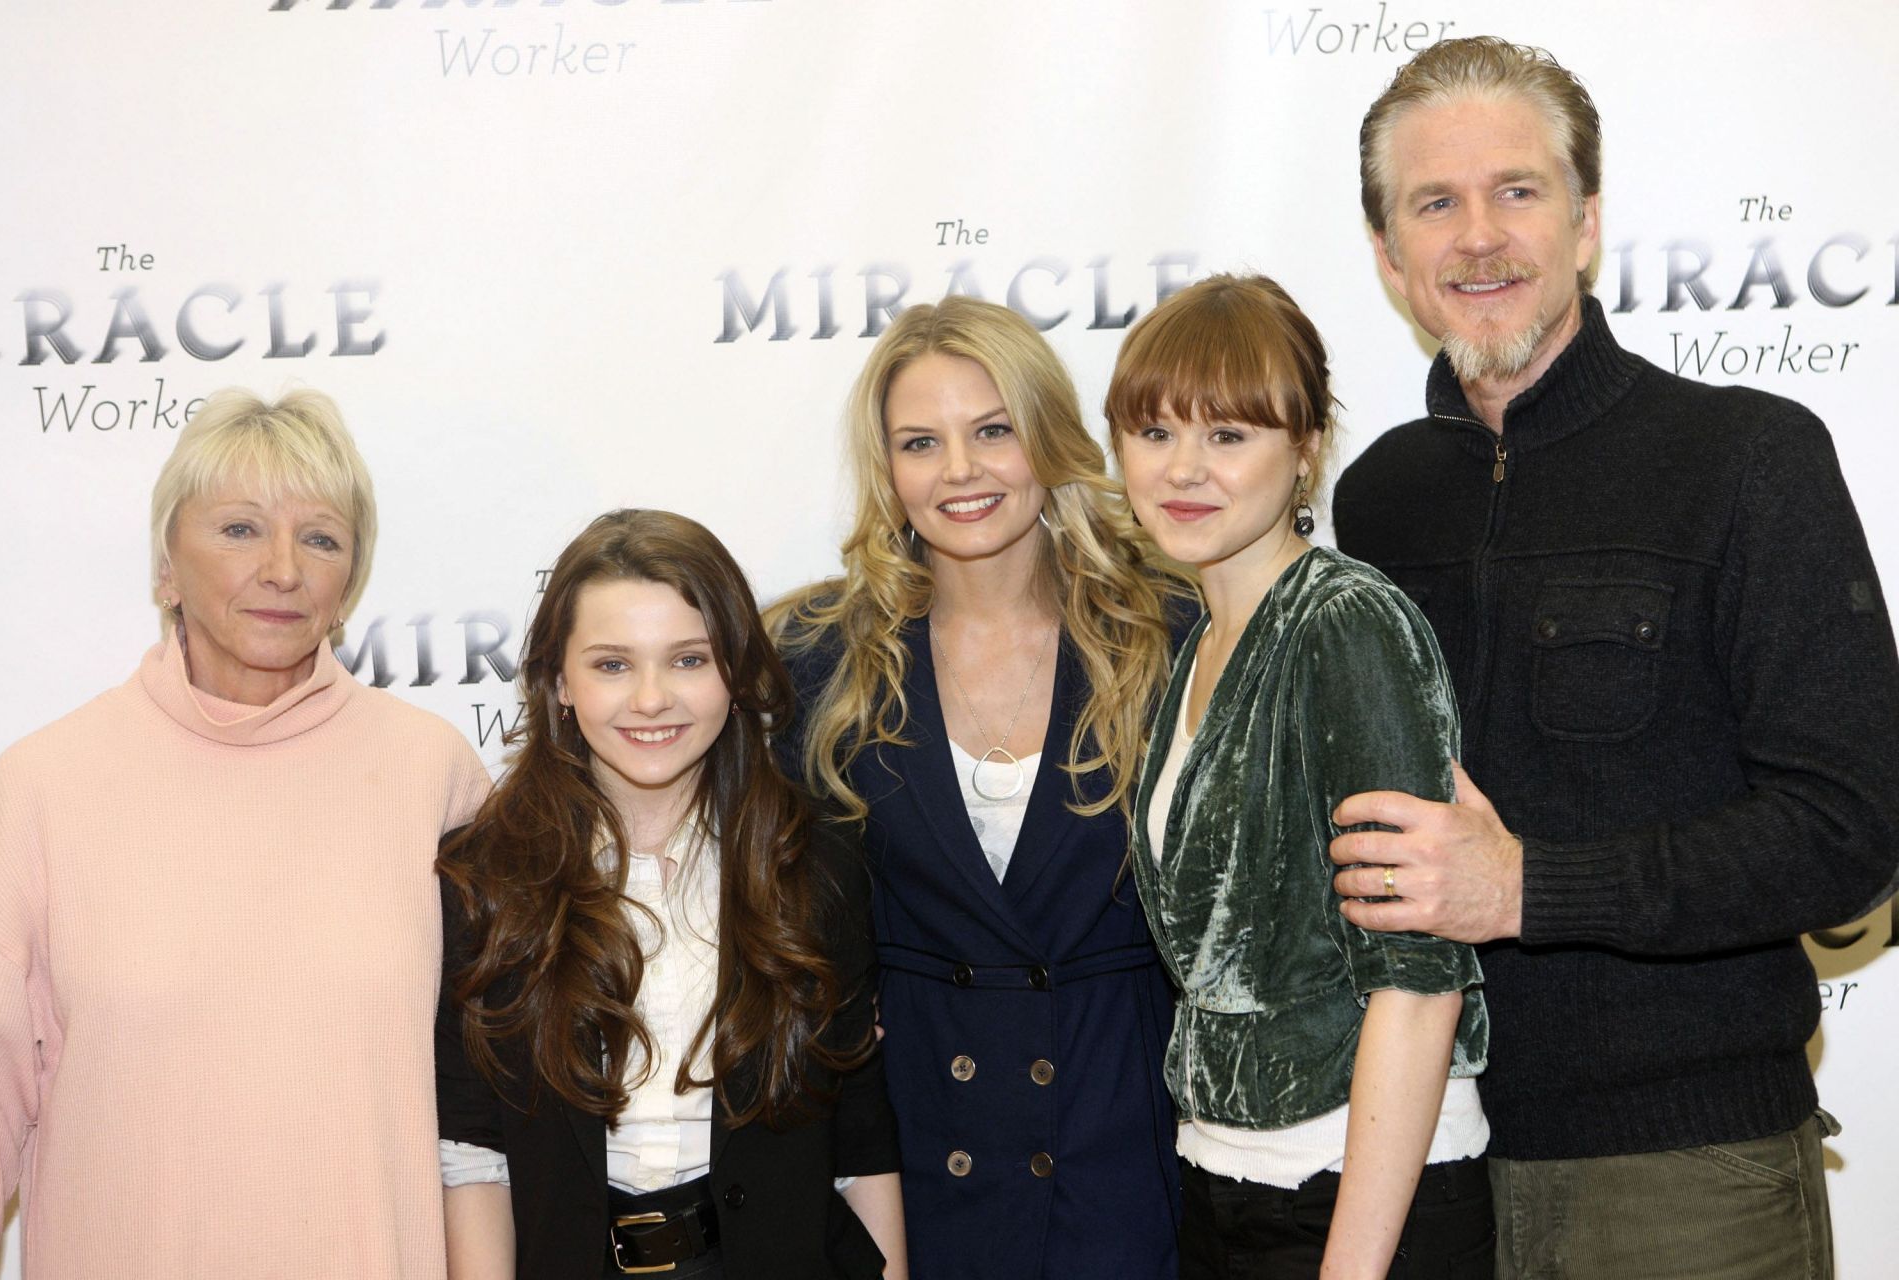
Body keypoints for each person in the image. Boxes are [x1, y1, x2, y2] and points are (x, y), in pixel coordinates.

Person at [1330, 36, 1899, 1279]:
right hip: (1423, 1164)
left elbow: (1852, 828)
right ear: (1388, 256)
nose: (1480, 237)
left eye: (1517, 190)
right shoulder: (1373, 503)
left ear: (1585, 222)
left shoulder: (1747, 459)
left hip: (1686, 1179)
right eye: (1435, 203)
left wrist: (1528, 888)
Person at [0, 388, 489, 1279]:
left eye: (320, 539)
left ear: (348, 586)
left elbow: (490, 1123)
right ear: (165, 569)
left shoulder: (432, 775)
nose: (283, 569)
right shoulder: (40, 788)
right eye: (240, 529)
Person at [767, 296, 1188, 1280]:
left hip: (1125, 1142)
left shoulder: (1169, 633)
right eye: (921, 442)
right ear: (888, 469)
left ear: (1048, 437)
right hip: (917, 1154)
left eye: (993, 430)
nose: (960, 469)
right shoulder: (816, 659)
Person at [1108, 274, 1492, 1280]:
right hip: (1221, 1177)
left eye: (1228, 434)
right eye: (1153, 432)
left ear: (1307, 447)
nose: (1184, 468)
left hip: (1359, 1194)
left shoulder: (1344, 622)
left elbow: (1417, 980)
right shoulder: (1195, 645)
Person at [435, 509, 906, 1280]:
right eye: (612, 665)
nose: (651, 699)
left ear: (737, 675)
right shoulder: (486, 880)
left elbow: (860, 1147)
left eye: (688, 659)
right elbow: (474, 1158)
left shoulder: (817, 865)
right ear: (559, 681)